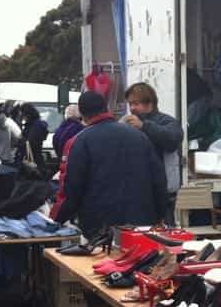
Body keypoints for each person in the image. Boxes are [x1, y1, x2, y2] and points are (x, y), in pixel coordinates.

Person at [55, 91, 168, 237]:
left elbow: (71, 189)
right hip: (142, 223)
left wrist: (55, 221)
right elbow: (158, 179)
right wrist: (160, 214)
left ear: (82, 115)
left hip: (100, 227)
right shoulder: (140, 137)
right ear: (107, 108)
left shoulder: (79, 141)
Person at [121, 82, 183, 225]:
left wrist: (144, 126)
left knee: (164, 233)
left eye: (136, 103)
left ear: (149, 102)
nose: (132, 108)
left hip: (163, 193)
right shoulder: (127, 124)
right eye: (130, 104)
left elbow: (172, 140)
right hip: (136, 191)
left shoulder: (168, 121)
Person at [18, 103, 49, 172]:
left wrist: (20, 141)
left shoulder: (35, 126)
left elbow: (31, 143)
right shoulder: (36, 124)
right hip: (36, 158)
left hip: (33, 159)